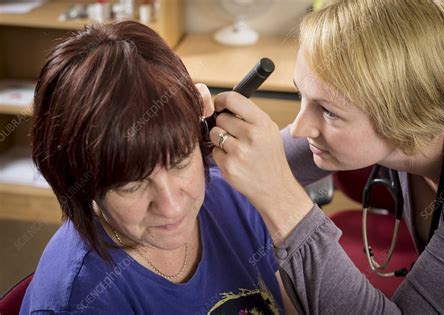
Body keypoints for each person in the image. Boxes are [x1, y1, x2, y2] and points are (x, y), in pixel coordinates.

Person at [207, 0, 444, 313]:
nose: (300, 129)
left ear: (407, 112)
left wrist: (283, 201)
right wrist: (187, 146)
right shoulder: (413, 124)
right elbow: (255, 162)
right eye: (301, 96)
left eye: (329, 111)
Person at [20, 21, 297, 314]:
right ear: (76, 179)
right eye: (131, 185)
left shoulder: (236, 199)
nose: (171, 205)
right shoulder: (80, 301)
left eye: (179, 162)